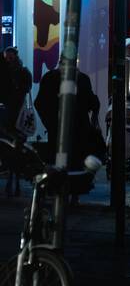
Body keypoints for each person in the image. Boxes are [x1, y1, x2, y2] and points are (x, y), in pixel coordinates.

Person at [34, 65, 102, 169]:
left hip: (56, 128)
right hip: (79, 128)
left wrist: (49, 122)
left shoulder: (49, 78)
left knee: (57, 162)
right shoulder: (82, 78)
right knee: (77, 163)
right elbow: (91, 102)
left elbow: (39, 103)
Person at [1, 46, 34, 196]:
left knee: (11, 145)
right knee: (15, 146)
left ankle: (13, 175)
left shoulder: (17, 72)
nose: (8, 59)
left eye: (10, 56)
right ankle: (14, 176)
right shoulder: (21, 72)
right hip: (14, 112)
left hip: (13, 113)